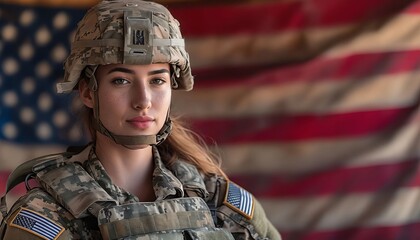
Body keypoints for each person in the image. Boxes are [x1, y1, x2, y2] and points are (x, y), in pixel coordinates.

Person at [0, 0, 281, 239]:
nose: (143, 100)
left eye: (157, 80)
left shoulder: (217, 202)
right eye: (121, 80)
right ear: (87, 92)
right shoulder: (47, 215)